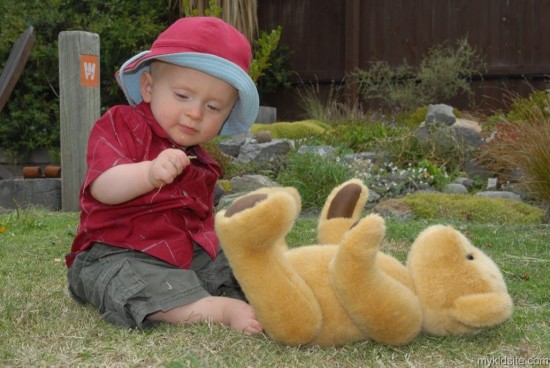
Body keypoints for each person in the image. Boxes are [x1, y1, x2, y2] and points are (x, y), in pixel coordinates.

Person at [65, 17, 262, 335]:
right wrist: (148, 172)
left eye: (212, 107)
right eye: (183, 96)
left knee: (238, 261)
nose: (195, 113)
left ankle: (279, 293)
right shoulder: (121, 124)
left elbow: (202, 218)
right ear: (148, 87)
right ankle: (216, 309)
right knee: (136, 281)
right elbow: (102, 186)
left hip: (182, 253)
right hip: (115, 251)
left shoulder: (202, 160)